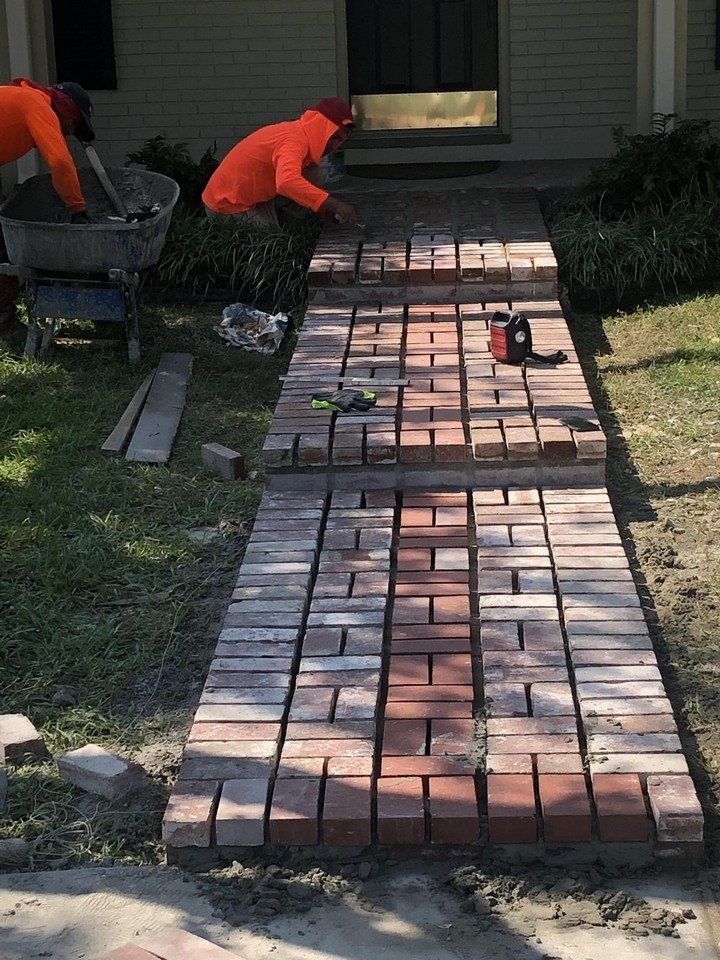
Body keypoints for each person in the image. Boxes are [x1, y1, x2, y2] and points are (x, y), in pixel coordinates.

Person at [0, 78, 96, 341]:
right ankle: (4, 324)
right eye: (74, 124)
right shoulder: (38, 105)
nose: (69, 131)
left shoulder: (26, 100)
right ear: (66, 109)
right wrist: (77, 209)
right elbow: (61, 162)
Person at [202, 97, 357, 231]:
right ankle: (282, 234)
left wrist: (323, 209)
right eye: (334, 137)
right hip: (227, 202)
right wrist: (333, 204)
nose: (334, 145)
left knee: (312, 173)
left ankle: (289, 227)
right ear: (320, 127)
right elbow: (286, 181)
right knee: (273, 246)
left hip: (252, 195)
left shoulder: (300, 135)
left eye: (340, 141)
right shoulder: (294, 141)